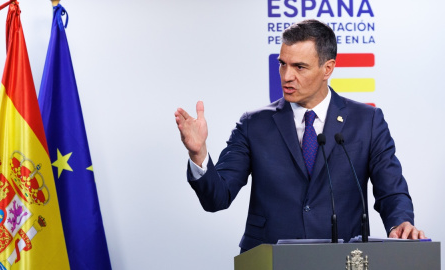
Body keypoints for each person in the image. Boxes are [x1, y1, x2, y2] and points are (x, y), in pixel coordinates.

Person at [174, 19, 426, 252]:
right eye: (282, 64)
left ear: (327, 68)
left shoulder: (367, 121)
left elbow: (391, 190)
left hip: (342, 256)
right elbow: (217, 198)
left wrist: (399, 223)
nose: (286, 76)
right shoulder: (254, 124)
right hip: (269, 258)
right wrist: (198, 153)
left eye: (299, 67)